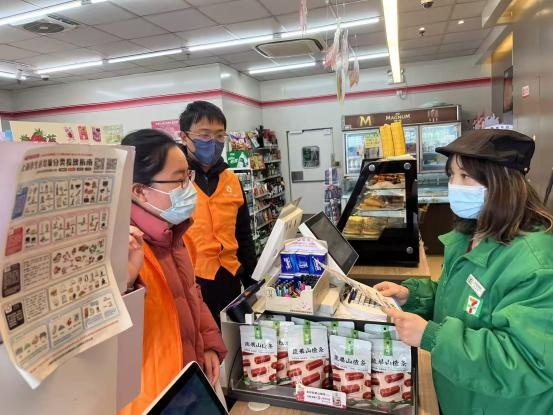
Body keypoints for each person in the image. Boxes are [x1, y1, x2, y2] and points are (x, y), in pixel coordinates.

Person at [376, 129, 553, 415]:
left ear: (501, 182)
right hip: (460, 395)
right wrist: (413, 296)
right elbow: (460, 298)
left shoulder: (537, 264)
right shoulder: (470, 235)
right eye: (451, 175)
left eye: (465, 176)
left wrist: (432, 336)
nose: (454, 186)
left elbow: (528, 361)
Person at [119, 129, 227, 415]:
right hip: (153, 399)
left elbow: (192, 295)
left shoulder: (178, 237)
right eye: (179, 180)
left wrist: (209, 343)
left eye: (188, 177)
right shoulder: (121, 250)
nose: (189, 189)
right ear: (139, 191)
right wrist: (124, 284)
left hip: (190, 384)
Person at [178, 101, 257, 326]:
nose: (213, 142)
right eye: (204, 135)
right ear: (184, 137)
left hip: (230, 275)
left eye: (220, 135)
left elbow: (243, 233)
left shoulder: (231, 179)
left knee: (232, 336)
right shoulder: (174, 181)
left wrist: (251, 277)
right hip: (192, 280)